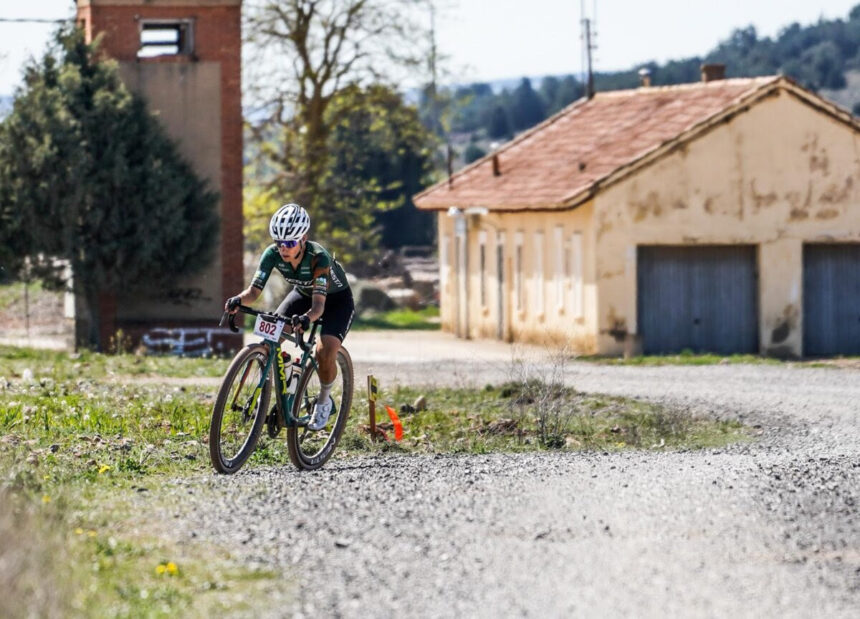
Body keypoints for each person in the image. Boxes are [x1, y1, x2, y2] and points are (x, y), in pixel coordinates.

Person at [224, 203, 354, 431]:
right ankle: (286, 377)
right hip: (302, 294)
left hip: (334, 302)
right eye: (279, 242)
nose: (283, 248)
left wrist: (305, 319)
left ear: (303, 238)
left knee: (325, 351)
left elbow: (318, 306)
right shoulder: (272, 254)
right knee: (270, 338)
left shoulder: (318, 258)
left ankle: (323, 401)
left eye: (290, 243)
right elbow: (254, 292)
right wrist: (237, 300)